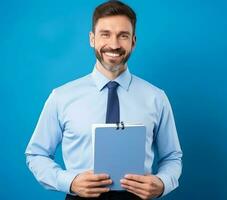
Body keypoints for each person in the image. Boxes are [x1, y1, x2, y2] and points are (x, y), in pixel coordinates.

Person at [25, 1, 182, 199]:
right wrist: (70, 182)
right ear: (92, 39)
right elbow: (36, 154)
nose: (114, 45)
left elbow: (172, 157)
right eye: (105, 34)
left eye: (123, 36)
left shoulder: (156, 98)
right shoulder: (62, 97)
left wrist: (162, 183)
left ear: (133, 41)